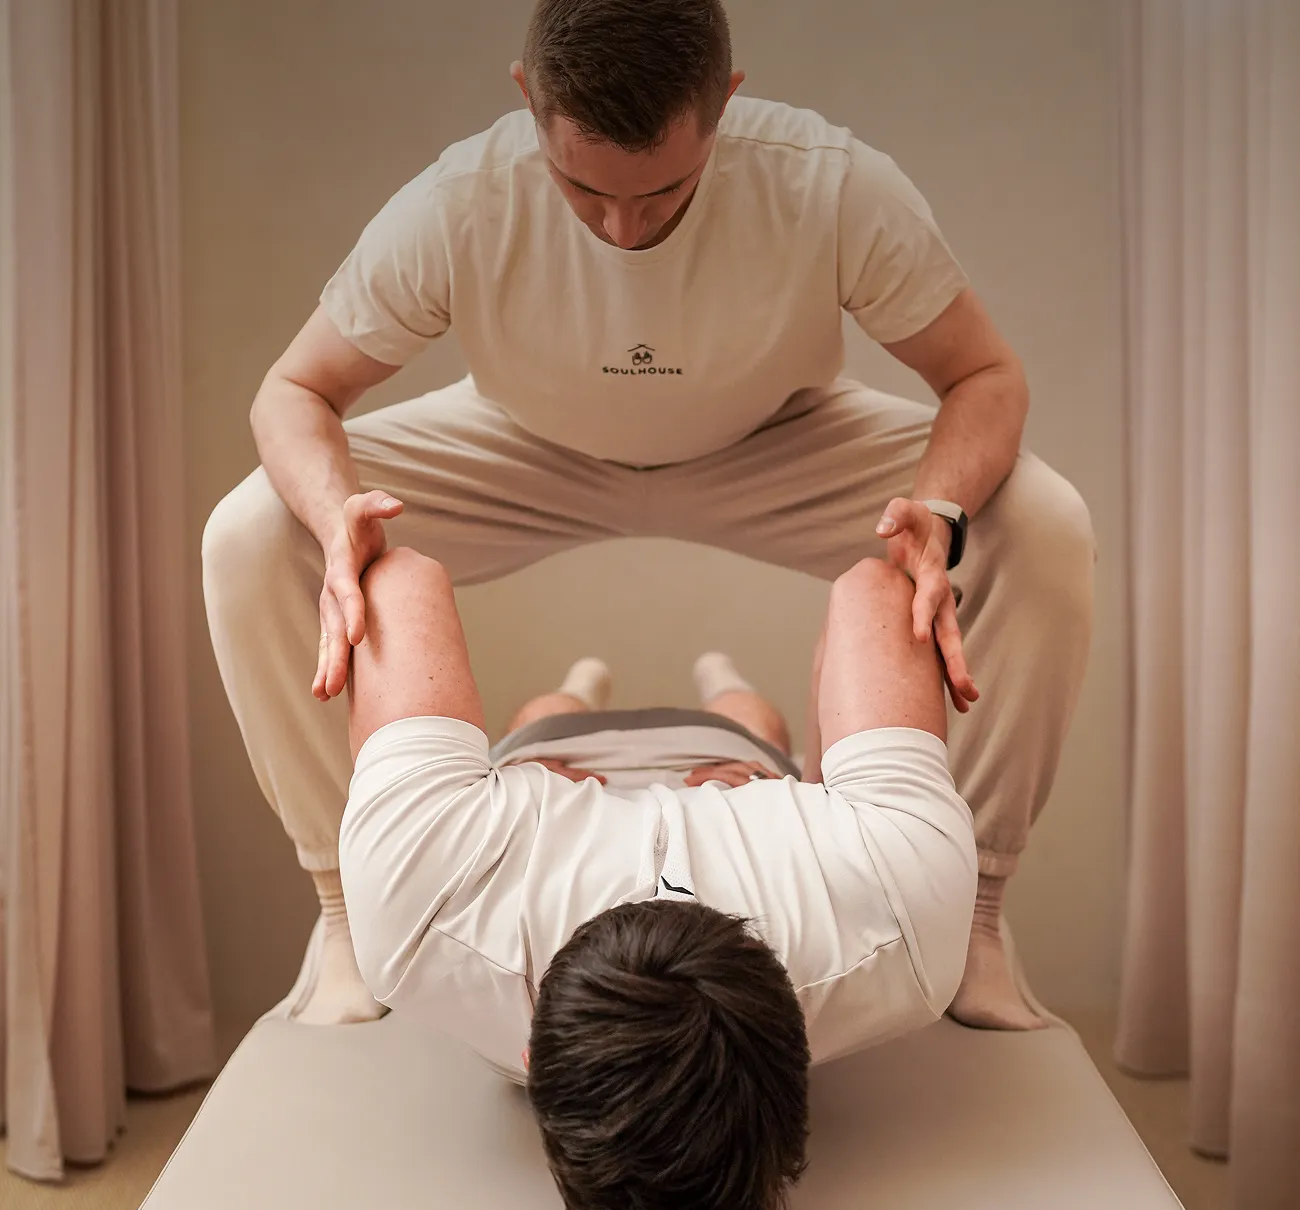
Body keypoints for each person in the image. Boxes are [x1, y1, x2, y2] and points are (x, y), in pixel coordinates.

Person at [203, 0, 1094, 1032]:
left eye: (665, 190)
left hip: (776, 442)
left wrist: (939, 513)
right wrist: (334, 516)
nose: (623, 229)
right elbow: (293, 390)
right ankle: (342, 910)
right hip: (525, 446)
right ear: (529, 101)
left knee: (1043, 520)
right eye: (584, 189)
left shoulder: (833, 187)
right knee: (252, 532)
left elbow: (984, 375)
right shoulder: (456, 203)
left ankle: (977, 916)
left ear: (725, 103)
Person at [338, 539, 978, 1210]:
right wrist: (805, 800)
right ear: (800, 1058)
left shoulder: (421, 907)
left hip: (553, 754)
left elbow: (396, 577)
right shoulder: (899, 907)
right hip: (730, 757)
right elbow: (877, 587)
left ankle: (577, 688)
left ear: (531, 1059)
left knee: (540, 714)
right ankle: (722, 680)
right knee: (755, 724)